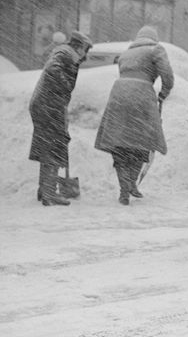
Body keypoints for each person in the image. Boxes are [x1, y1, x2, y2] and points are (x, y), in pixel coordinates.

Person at [94, 25, 174, 205]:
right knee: (141, 142)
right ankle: (131, 183)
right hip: (141, 95)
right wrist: (164, 93)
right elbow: (167, 75)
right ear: (154, 38)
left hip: (118, 95)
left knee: (120, 144)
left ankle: (125, 187)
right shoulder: (156, 49)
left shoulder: (125, 54)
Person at [29, 31, 92, 206]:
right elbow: (53, 70)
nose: (85, 54)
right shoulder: (66, 53)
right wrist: (63, 88)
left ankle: (44, 190)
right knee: (54, 147)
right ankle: (50, 194)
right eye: (85, 49)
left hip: (45, 103)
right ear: (79, 46)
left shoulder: (62, 51)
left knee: (48, 146)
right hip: (49, 105)